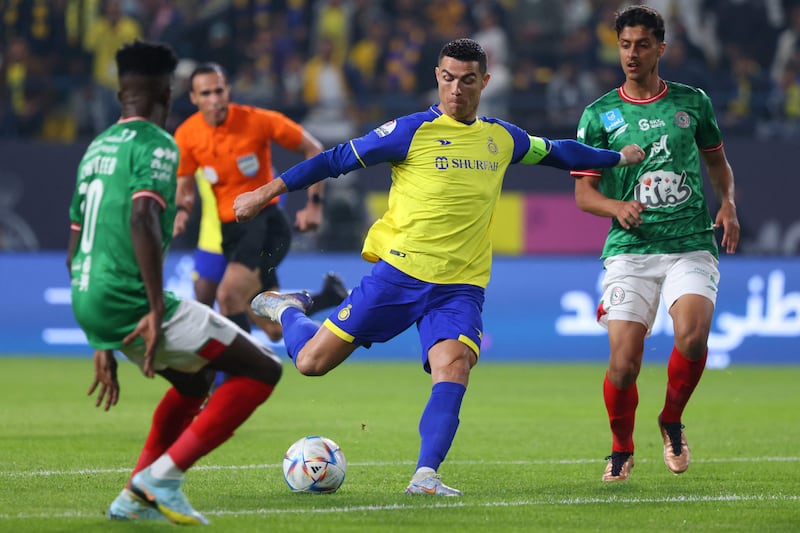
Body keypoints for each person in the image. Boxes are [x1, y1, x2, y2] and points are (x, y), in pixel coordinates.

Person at [234, 38, 645, 496]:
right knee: (311, 363)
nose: (456, 89)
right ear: (437, 77)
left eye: (468, 80)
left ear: (484, 82)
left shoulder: (502, 138)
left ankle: (425, 475)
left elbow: (560, 152)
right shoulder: (409, 131)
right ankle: (289, 308)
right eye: (448, 78)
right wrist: (264, 193)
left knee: (454, 367)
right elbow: (334, 161)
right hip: (400, 276)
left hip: (460, 286)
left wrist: (616, 157)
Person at [67, 40, 284, 524]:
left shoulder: (96, 147)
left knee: (194, 382)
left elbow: (76, 243)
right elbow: (144, 218)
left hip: (90, 297)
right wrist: (156, 306)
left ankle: (133, 496)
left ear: (122, 90)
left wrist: (99, 335)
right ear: (167, 92)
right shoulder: (159, 145)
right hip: (129, 299)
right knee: (263, 369)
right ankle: (161, 478)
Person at [570, 5, 740, 482]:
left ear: (660, 49)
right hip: (630, 250)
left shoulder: (693, 102)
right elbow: (585, 193)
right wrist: (616, 207)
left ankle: (671, 419)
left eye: (642, 44)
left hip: (689, 240)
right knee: (623, 365)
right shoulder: (599, 114)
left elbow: (718, 165)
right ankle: (621, 448)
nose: (632, 53)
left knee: (693, 333)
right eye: (625, 45)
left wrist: (727, 204)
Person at [171, 62, 347, 344]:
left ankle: (243, 376)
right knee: (273, 329)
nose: (214, 99)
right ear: (193, 97)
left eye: (219, 91)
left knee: (228, 295)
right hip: (231, 234)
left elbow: (313, 148)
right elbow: (185, 184)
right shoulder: (187, 134)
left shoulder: (256, 121)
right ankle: (329, 297)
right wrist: (182, 210)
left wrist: (314, 203)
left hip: (265, 226)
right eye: (206, 94)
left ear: (228, 90)